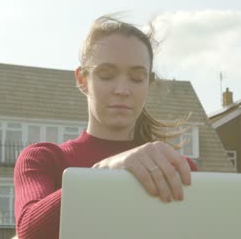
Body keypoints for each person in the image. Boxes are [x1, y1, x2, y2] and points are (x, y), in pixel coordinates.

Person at [14, 15, 197, 239]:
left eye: (137, 78)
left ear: (149, 82)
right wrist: (105, 173)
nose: (122, 89)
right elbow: (30, 232)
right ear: (82, 79)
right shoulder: (43, 159)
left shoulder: (175, 168)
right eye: (107, 75)